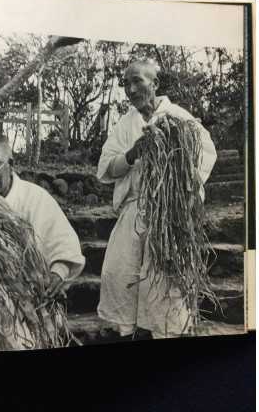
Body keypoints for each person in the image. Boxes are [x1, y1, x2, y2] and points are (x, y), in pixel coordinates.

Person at [96, 60, 217, 340]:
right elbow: (105, 168)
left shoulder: (179, 117)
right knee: (119, 272)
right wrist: (132, 153)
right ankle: (126, 331)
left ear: (155, 84)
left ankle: (167, 334)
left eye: (137, 81)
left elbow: (205, 155)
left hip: (168, 215)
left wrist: (178, 187)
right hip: (134, 210)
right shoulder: (126, 124)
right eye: (126, 83)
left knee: (165, 282)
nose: (130, 89)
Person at [0, 130, 85, 350]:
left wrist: (58, 272)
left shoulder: (35, 198)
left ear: (11, 163)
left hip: (30, 301)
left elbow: (63, 244)